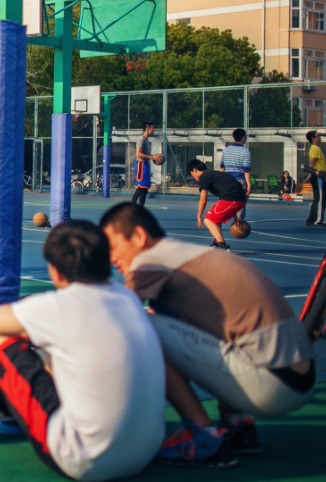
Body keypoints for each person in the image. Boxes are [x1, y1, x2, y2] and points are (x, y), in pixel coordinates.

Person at [0, 220, 165, 480]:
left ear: (56, 272)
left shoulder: (59, 306)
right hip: (145, 453)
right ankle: (9, 413)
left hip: (84, 459)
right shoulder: (127, 298)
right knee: (57, 348)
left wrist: (23, 318)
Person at [101, 203, 315, 466]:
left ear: (139, 237)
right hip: (297, 379)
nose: (110, 258)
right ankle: (238, 425)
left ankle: (204, 436)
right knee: (167, 318)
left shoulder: (151, 261)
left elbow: (117, 319)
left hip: (270, 383)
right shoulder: (189, 256)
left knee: (141, 326)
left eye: (112, 247)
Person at [188, 159, 246, 251]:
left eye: (191, 173)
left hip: (232, 198)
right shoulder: (214, 175)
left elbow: (203, 200)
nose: (193, 176)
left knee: (208, 220)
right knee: (216, 219)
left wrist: (199, 216)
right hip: (239, 199)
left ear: (194, 170)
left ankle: (222, 245)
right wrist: (234, 216)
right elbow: (227, 192)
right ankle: (217, 241)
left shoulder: (204, 176)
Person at [219, 128, 252, 221]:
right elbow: (246, 169)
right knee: (241, 202)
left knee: (227, 201)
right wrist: (249, 184)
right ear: (243, 138)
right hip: (240, 180)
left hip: (228, 180)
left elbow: (222, 167)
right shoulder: (245, 152)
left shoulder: (226, 150)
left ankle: (221, 220)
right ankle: (238, 223)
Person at [131, 121, 163, 207]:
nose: (153, 130)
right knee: (140, 189)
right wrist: (152, 157)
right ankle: (131, 209)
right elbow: (139, 154)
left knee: (144, 190)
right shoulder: (141, 139)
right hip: (141, 165)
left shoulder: (146, 139)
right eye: (152, 128)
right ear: (147, 128)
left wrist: (153, 157)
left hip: (145, 164)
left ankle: (140, 210)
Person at [304, 131, 325, 225]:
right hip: (318, 175)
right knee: (320, 198)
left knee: (317, 198)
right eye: (318, 136)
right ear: (313, 139)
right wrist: (310, 174)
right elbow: (312, 162)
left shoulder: (314, 148)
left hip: (318, 175)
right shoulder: (316, 148)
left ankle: (311, 219)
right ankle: (317, 220)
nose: (319, 137)